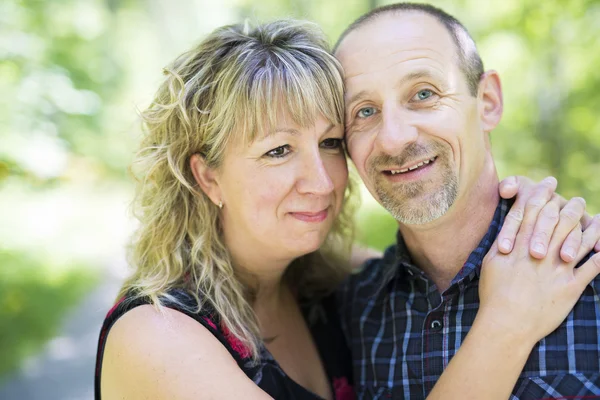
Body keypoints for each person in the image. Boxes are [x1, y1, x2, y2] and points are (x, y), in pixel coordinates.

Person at [94, 19, 598, 400]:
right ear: (207, 176)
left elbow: (440, 250)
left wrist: (538, 216)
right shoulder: (157, 335)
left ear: (487, 101)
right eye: (277, 150)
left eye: (331, 142)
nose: (321, 181)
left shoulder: (334, 287)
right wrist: (506, 322)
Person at [334, 3, 600, 399]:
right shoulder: (347, 312)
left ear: (488, 101)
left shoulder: (588, 273)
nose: (393, 138)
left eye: (423, 94)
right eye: (365, 111)